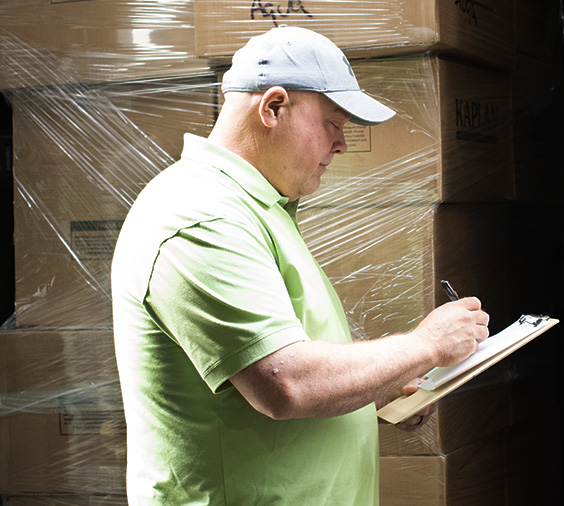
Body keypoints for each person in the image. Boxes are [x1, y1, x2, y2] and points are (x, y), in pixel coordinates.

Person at [111, 26, 489, 506]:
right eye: (333, 123)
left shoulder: (258, 207)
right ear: (272, 107)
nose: (342, 144)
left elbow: (286, 361)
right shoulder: (200, 216)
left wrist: (382, 385)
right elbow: (285, 382)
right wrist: (425, 345)